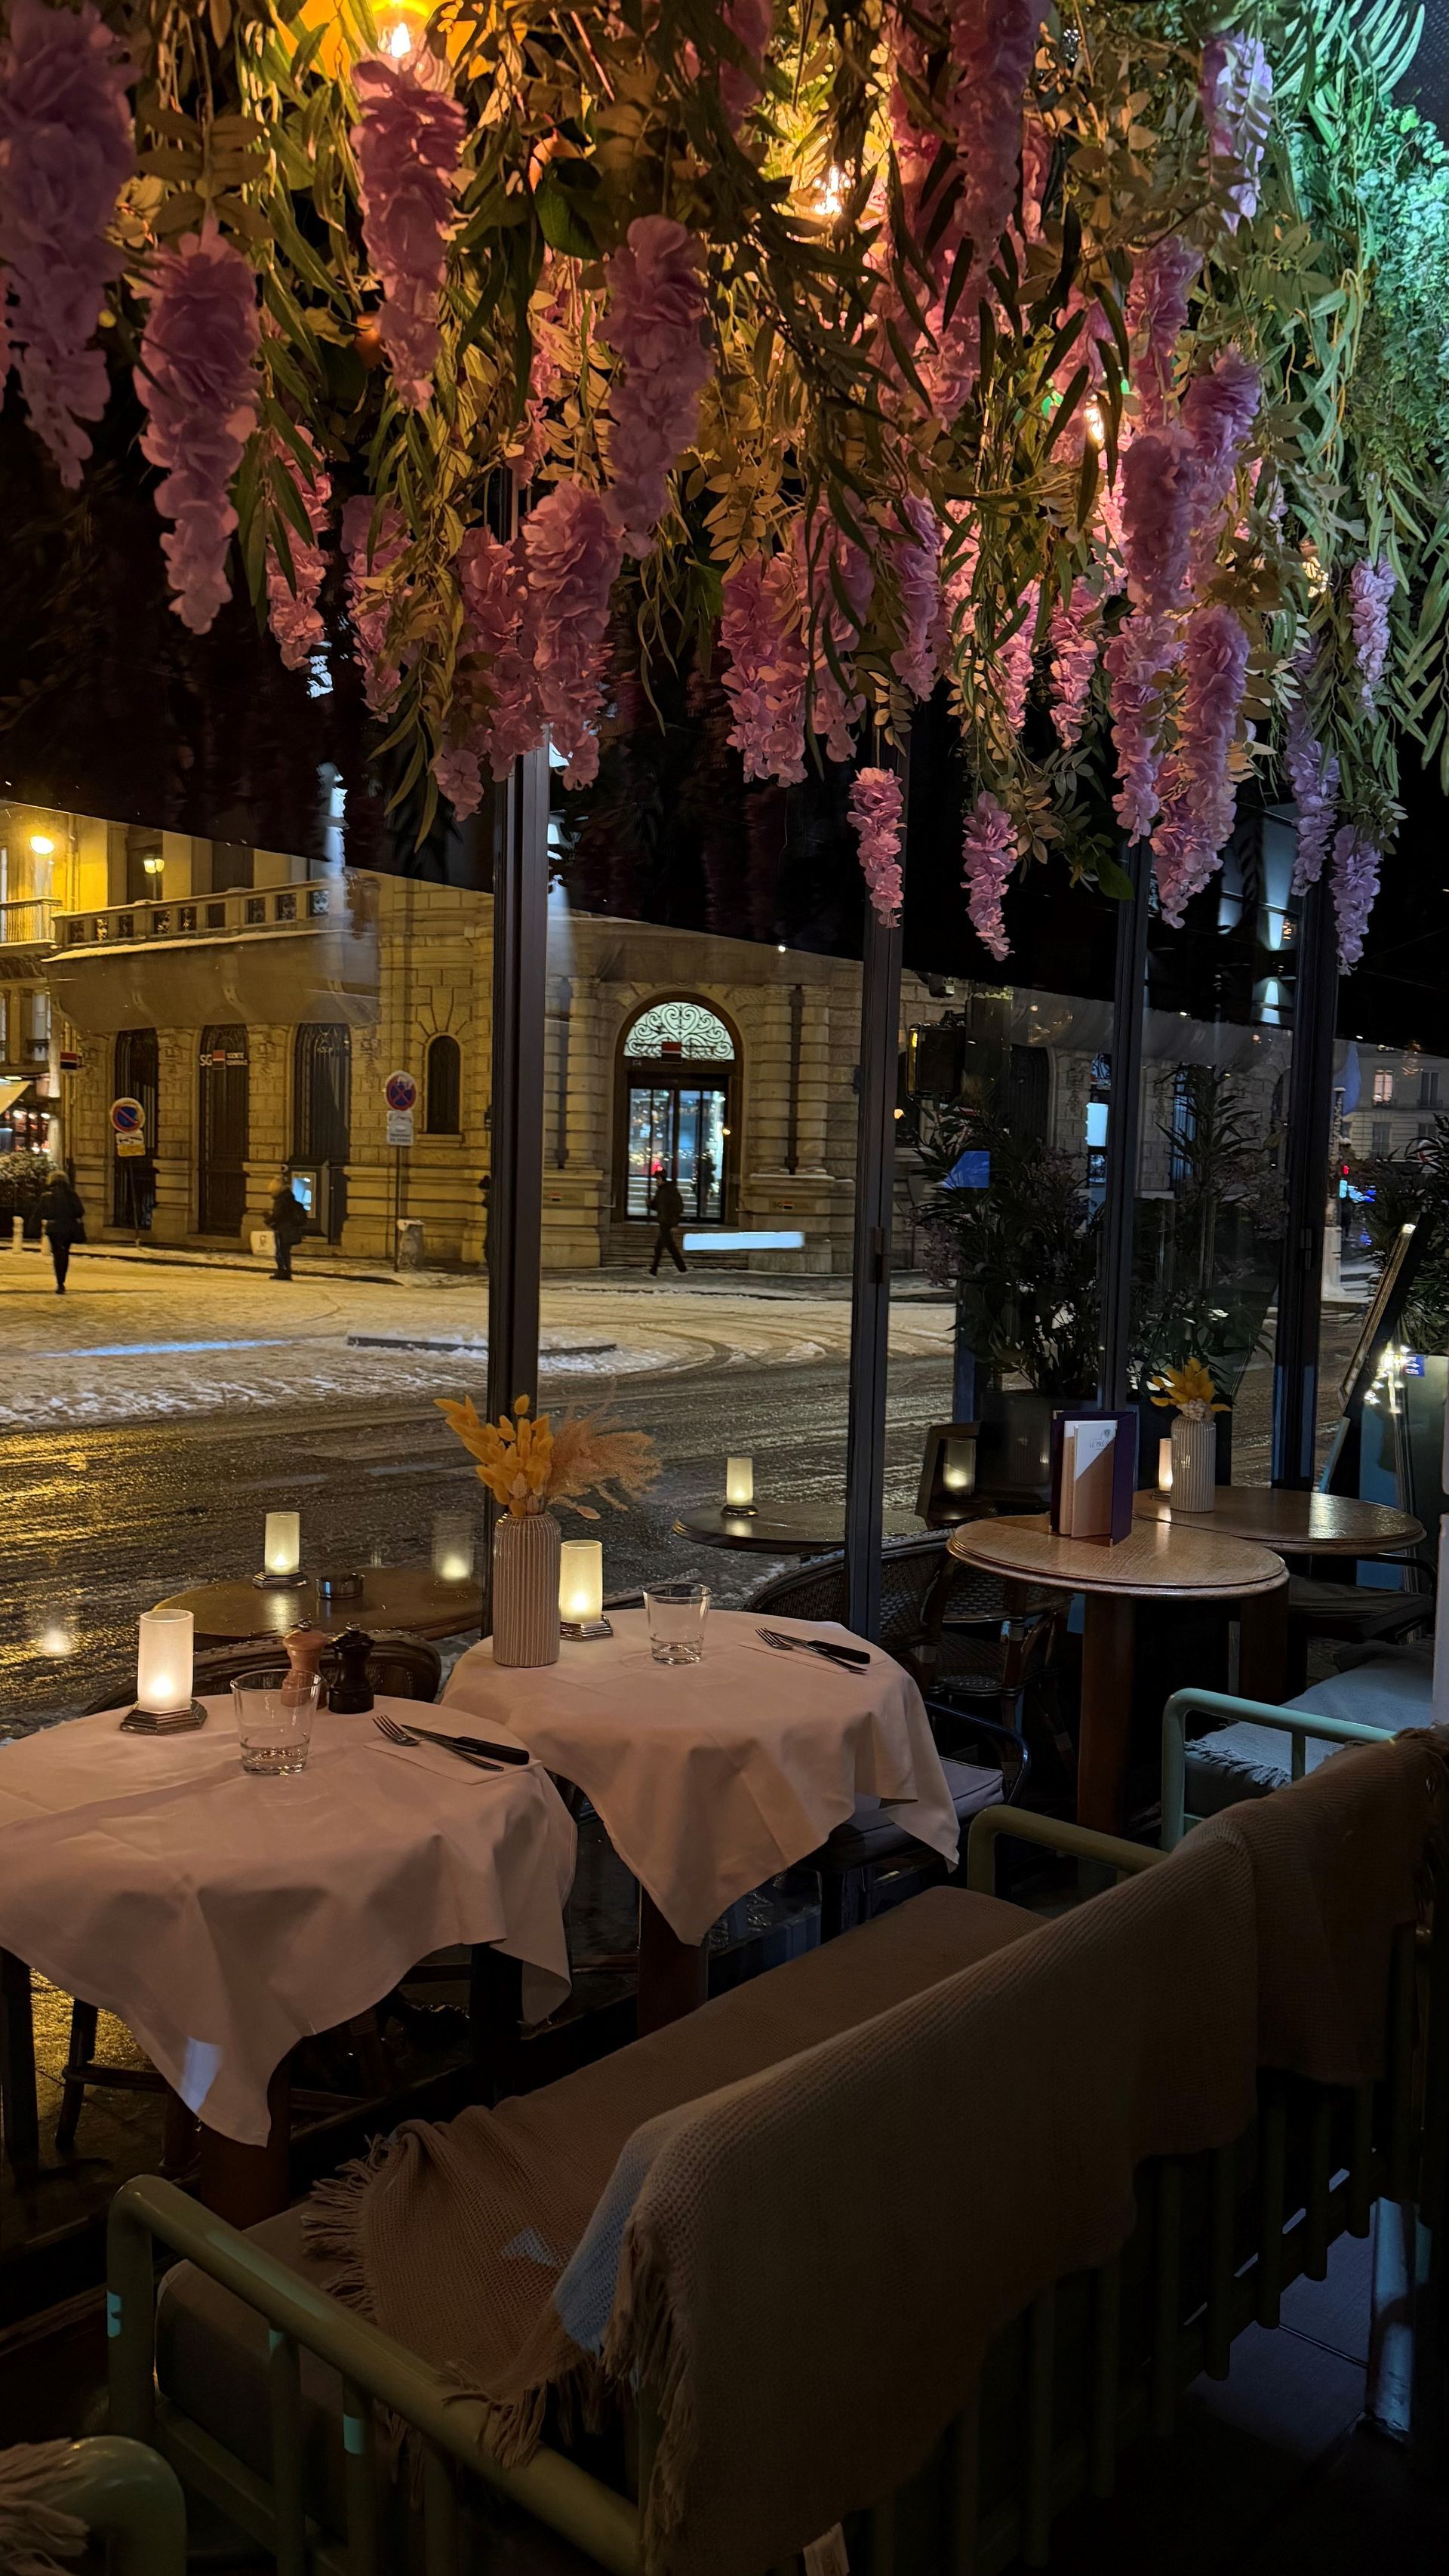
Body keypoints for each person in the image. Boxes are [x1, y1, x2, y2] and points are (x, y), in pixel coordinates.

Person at [36, 1169, 85, 1295]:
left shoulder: (47, 1196)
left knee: (57, 1255)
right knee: (65, 1253)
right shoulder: (72, 1195)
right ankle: (62, 1280)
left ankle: (59, 1282)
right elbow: (80, 1211)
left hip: (54, 1229)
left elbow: (41, 1213)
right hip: (69, 1229)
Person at [268, 1174, 309, 1281]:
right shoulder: (289, 1197)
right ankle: (286, 1271)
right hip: (289, 1229)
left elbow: (278, 1215)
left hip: (283, 1229)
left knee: (281, 1252)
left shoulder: (281, 1200)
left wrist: (268, 1219)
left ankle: (283, 1272)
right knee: (285, 1251)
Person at [648, 1171, 688, 1276]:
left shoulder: (670, 1191)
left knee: (660, 1247)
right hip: (663, 1221)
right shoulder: (661, 1191)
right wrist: (650, 1204)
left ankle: (654, 1269)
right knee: (669, 1246)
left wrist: (675, 1224)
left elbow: (678, 1207)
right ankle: (681, 1268)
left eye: (657, 1179)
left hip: (668, 1222)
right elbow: (656, 1206)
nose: (656, 1182)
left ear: (661, 1179)